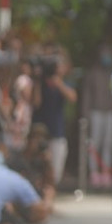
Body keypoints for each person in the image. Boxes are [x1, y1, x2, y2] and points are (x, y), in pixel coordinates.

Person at [32, 55, 76, 185]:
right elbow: (36, 103)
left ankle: (52, 192)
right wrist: (38, 81)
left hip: (57, 131)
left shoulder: (63, 83)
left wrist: (59, 83)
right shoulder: (40, 84)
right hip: (40, 132)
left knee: (56, 170)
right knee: (39, 168)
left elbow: (73, 98)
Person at [81, 43, 112, 188]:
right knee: (94, 143)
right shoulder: (93, 73)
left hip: (110, 112)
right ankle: (94, 172)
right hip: (95, 111)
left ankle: (106, 171)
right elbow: (87, 96)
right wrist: (85, 114)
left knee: (108, 144)